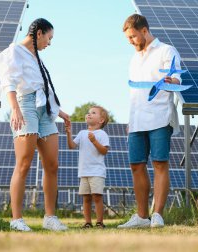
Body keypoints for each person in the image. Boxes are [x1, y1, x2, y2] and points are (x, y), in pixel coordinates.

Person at [0, 18, 70, 231]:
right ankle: (16, 220)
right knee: (24, 163)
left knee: (52, 165)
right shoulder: (14, 51)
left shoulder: (37, 58)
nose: (50, 42)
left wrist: (60, 112)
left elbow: (42, 87)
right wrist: (15, 109)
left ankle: (49, 218)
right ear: (39, 33)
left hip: (45, 110)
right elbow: (8, 81)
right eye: (49, 37)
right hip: (25, 105)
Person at [117, 14, 183, 229]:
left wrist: (170, 79)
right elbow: (135, 92)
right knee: (136, 166)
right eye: (128, 38)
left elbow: (176, 79)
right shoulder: (134, 58)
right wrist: (131, 118)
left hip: (160, 117)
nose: (131, 41)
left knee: (159, 164)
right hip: (136, 120)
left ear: (144, 31)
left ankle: (157, 215)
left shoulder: (166, 51)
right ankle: (142, 217)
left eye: (133, 36)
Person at [65, 106, 110, 229]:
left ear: (101, 120)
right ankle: (87, 222)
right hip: (84, 172)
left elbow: (104, 151)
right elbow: (71, 146)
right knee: (86, 198)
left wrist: (95, 141)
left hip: (97, 172)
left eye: (93, 113)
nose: (89, 114)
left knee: (97, 196)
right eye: (88, 112)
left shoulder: (102, 134)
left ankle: (100, 222)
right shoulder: (82, 133)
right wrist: (69, 134)